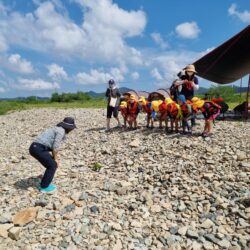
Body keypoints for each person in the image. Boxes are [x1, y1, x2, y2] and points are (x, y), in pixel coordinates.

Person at [29, 117, 76, 193]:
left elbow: (52, 146)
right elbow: (55, 146)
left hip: (35, 147)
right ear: (69, 128)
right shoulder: (61, 131)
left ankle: (45, 183)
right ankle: (44, 187)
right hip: (38, 148)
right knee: (52, 165)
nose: (72, 130)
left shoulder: (57, 129)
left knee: (51, 164)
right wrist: (56, 159)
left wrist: (55, 157)